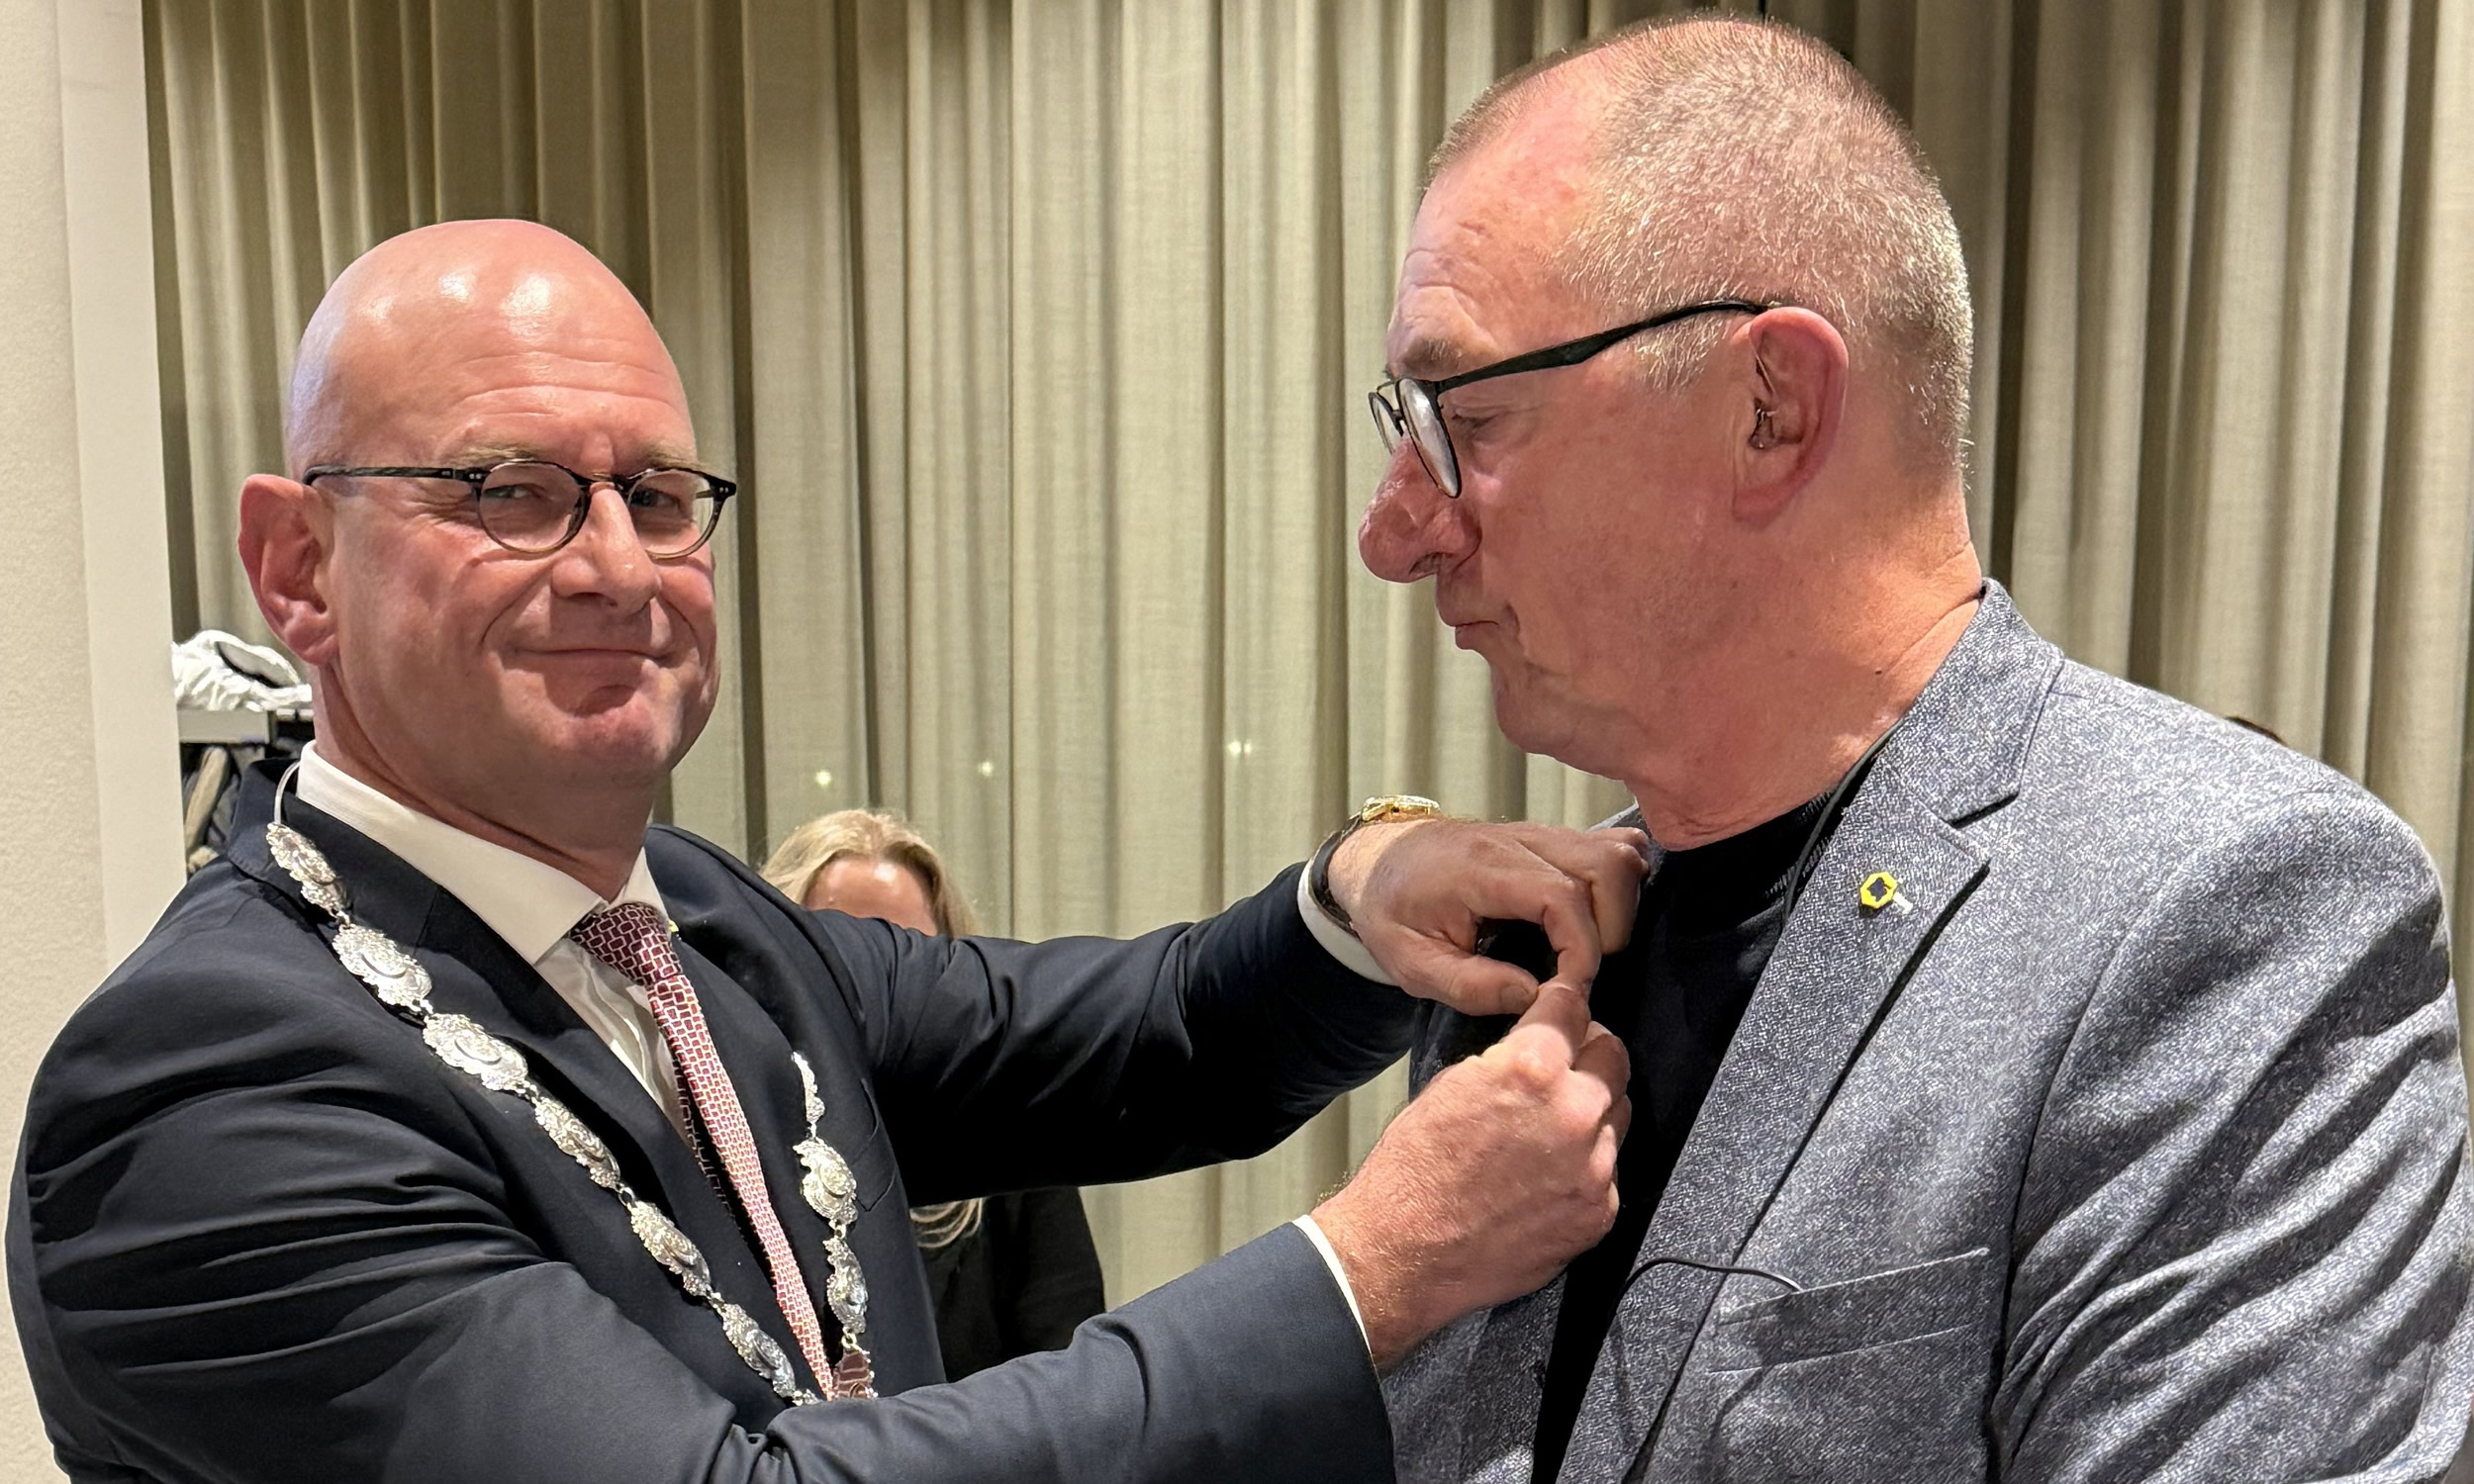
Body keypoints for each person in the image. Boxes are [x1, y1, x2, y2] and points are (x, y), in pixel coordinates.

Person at [7, 219, 1654, 1483]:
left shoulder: (695, 919)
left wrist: (1362, 897)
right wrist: (1370, 1269)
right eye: (510, 493)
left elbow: (1148, 1036)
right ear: (299, 567)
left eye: (659, 497)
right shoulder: (205, 1091)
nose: (616, 569)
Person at [1358, 15, 2474, 1482]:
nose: (1396, 531)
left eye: (1469, 418)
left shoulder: (2232, 910)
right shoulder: (1526, 947)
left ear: (1770, 411)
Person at [761, 808, 1104, 1379]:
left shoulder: (1010, 1150)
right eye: (845, 957)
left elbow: (1069, 1379)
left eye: (903, 959)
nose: (876, 994)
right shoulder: (730, 1142)